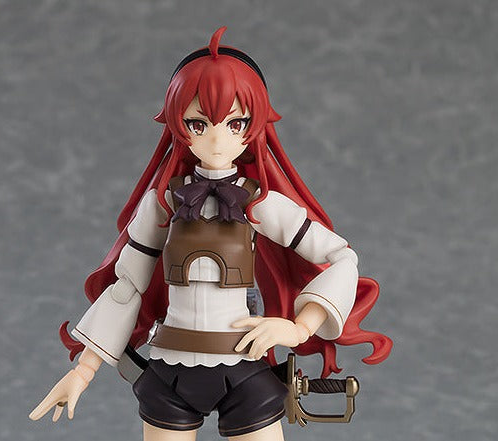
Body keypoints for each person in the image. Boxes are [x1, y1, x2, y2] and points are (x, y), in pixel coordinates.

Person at [29, 27, 392, 441]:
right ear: (177, 124)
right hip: (170, 372)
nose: (218, 139)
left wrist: (298, 328)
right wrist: (84, 368)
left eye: (235, 123)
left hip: (243, 367)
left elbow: (342, 258)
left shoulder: (258, 204)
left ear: (254, 126)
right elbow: (127, 287)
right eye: (199, 124)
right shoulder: (164, 203)